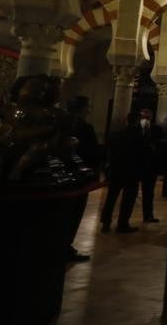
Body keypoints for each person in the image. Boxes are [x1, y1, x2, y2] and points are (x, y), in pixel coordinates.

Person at [65, 95, 99, 261]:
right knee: (73, 213)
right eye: (88, 106)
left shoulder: (62, 124)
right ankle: (65, 246)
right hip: (78, 176)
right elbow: (91, 152)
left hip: (66, 174)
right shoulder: (84, 128)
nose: (90, 109)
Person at [100, 111, 144, 233]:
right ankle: (122, 224)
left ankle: (106, 223)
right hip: (131, 171)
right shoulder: (139, 136)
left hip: (116, 170)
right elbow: (141, 155)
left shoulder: (116, 135)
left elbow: (108, 153)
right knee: (128, 199)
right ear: (137, 121)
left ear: (127, 120)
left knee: (111, 197)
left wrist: (107, 169)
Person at [138, 108, 167, 223]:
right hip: (136, 166)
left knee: (149, 192)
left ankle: (148, 215)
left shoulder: (157, 129)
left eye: (147, 117)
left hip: (151, 166)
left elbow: (162, 143)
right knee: (129, 194)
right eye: (143, 117)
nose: (145, 119)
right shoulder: (135, 129)